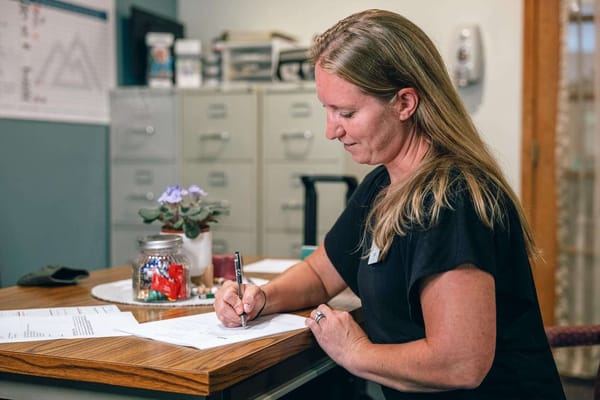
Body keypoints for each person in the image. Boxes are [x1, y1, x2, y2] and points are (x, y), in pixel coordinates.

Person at [214, 9, 565, 400]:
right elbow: (320, 274)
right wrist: (262, 297)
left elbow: (460, 363)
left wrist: (355, 351)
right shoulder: (382, 184)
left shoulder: (452, 200)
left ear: (404, 103)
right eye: (326, 110)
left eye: (346, 113)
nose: (332, 130)